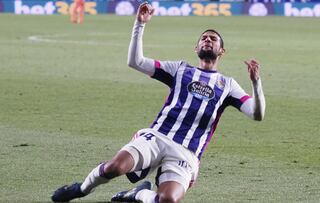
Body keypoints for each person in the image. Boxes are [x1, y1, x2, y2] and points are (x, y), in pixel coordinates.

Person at [51, 2, 265, 203]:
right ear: (196, 47)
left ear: (221, 51)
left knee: (168, 200)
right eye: (204, 38)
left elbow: (257, 114)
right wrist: (140, 24)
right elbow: (135, 61)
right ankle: (81, 190)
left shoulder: (228, 85)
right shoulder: (180, 69)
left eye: (213, 39)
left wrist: (256, 83)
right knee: (114, 167)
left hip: (186, 153)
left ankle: (138, 194)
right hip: (157, 137)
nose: (207, 40)